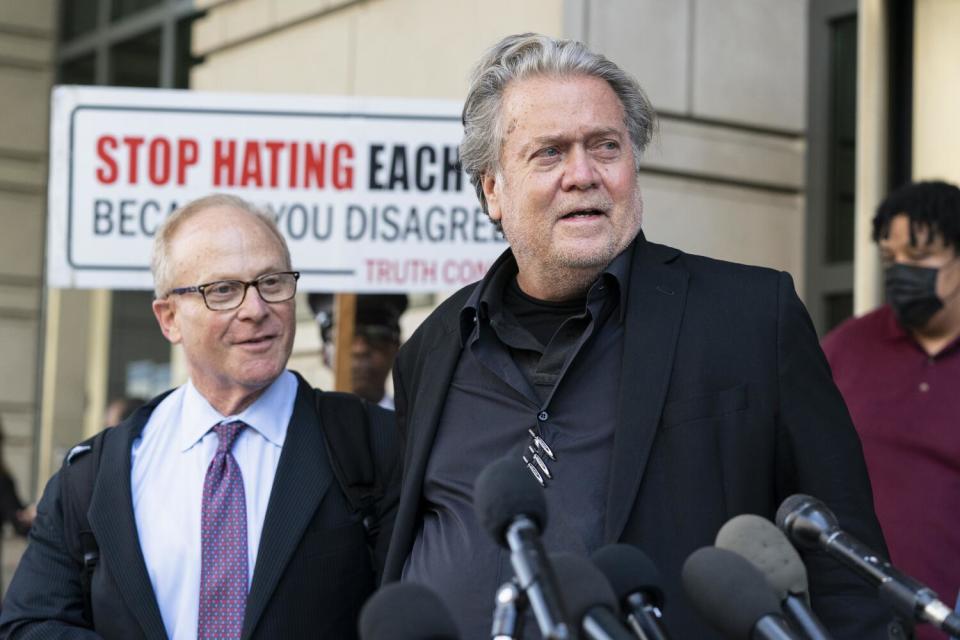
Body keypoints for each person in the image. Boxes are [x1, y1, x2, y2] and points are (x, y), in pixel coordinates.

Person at [383, 33, 895, 639]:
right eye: (549, 153)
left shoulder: (752, 317)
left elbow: (844, 562)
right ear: (493, 188)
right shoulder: (432, 349)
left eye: (605, 146)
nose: (583, 175)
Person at [1, 194, 399, 639]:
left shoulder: (376, 448)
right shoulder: (96, 476)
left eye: (272, 282)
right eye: (223, 290)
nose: (256, 309)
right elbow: (29, 625)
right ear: (169, 318)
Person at [823, 180, 960, 640]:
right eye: (890, 259)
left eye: (920, 258)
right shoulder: (846, 348)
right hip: (847, 625)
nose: (902, 271)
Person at [308, 293, 408, 409]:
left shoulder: (418, 423)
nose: (360, 349)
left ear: (397, 350)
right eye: (343, 338)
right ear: (324, 355)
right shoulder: (308, 424)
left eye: (376, 335)